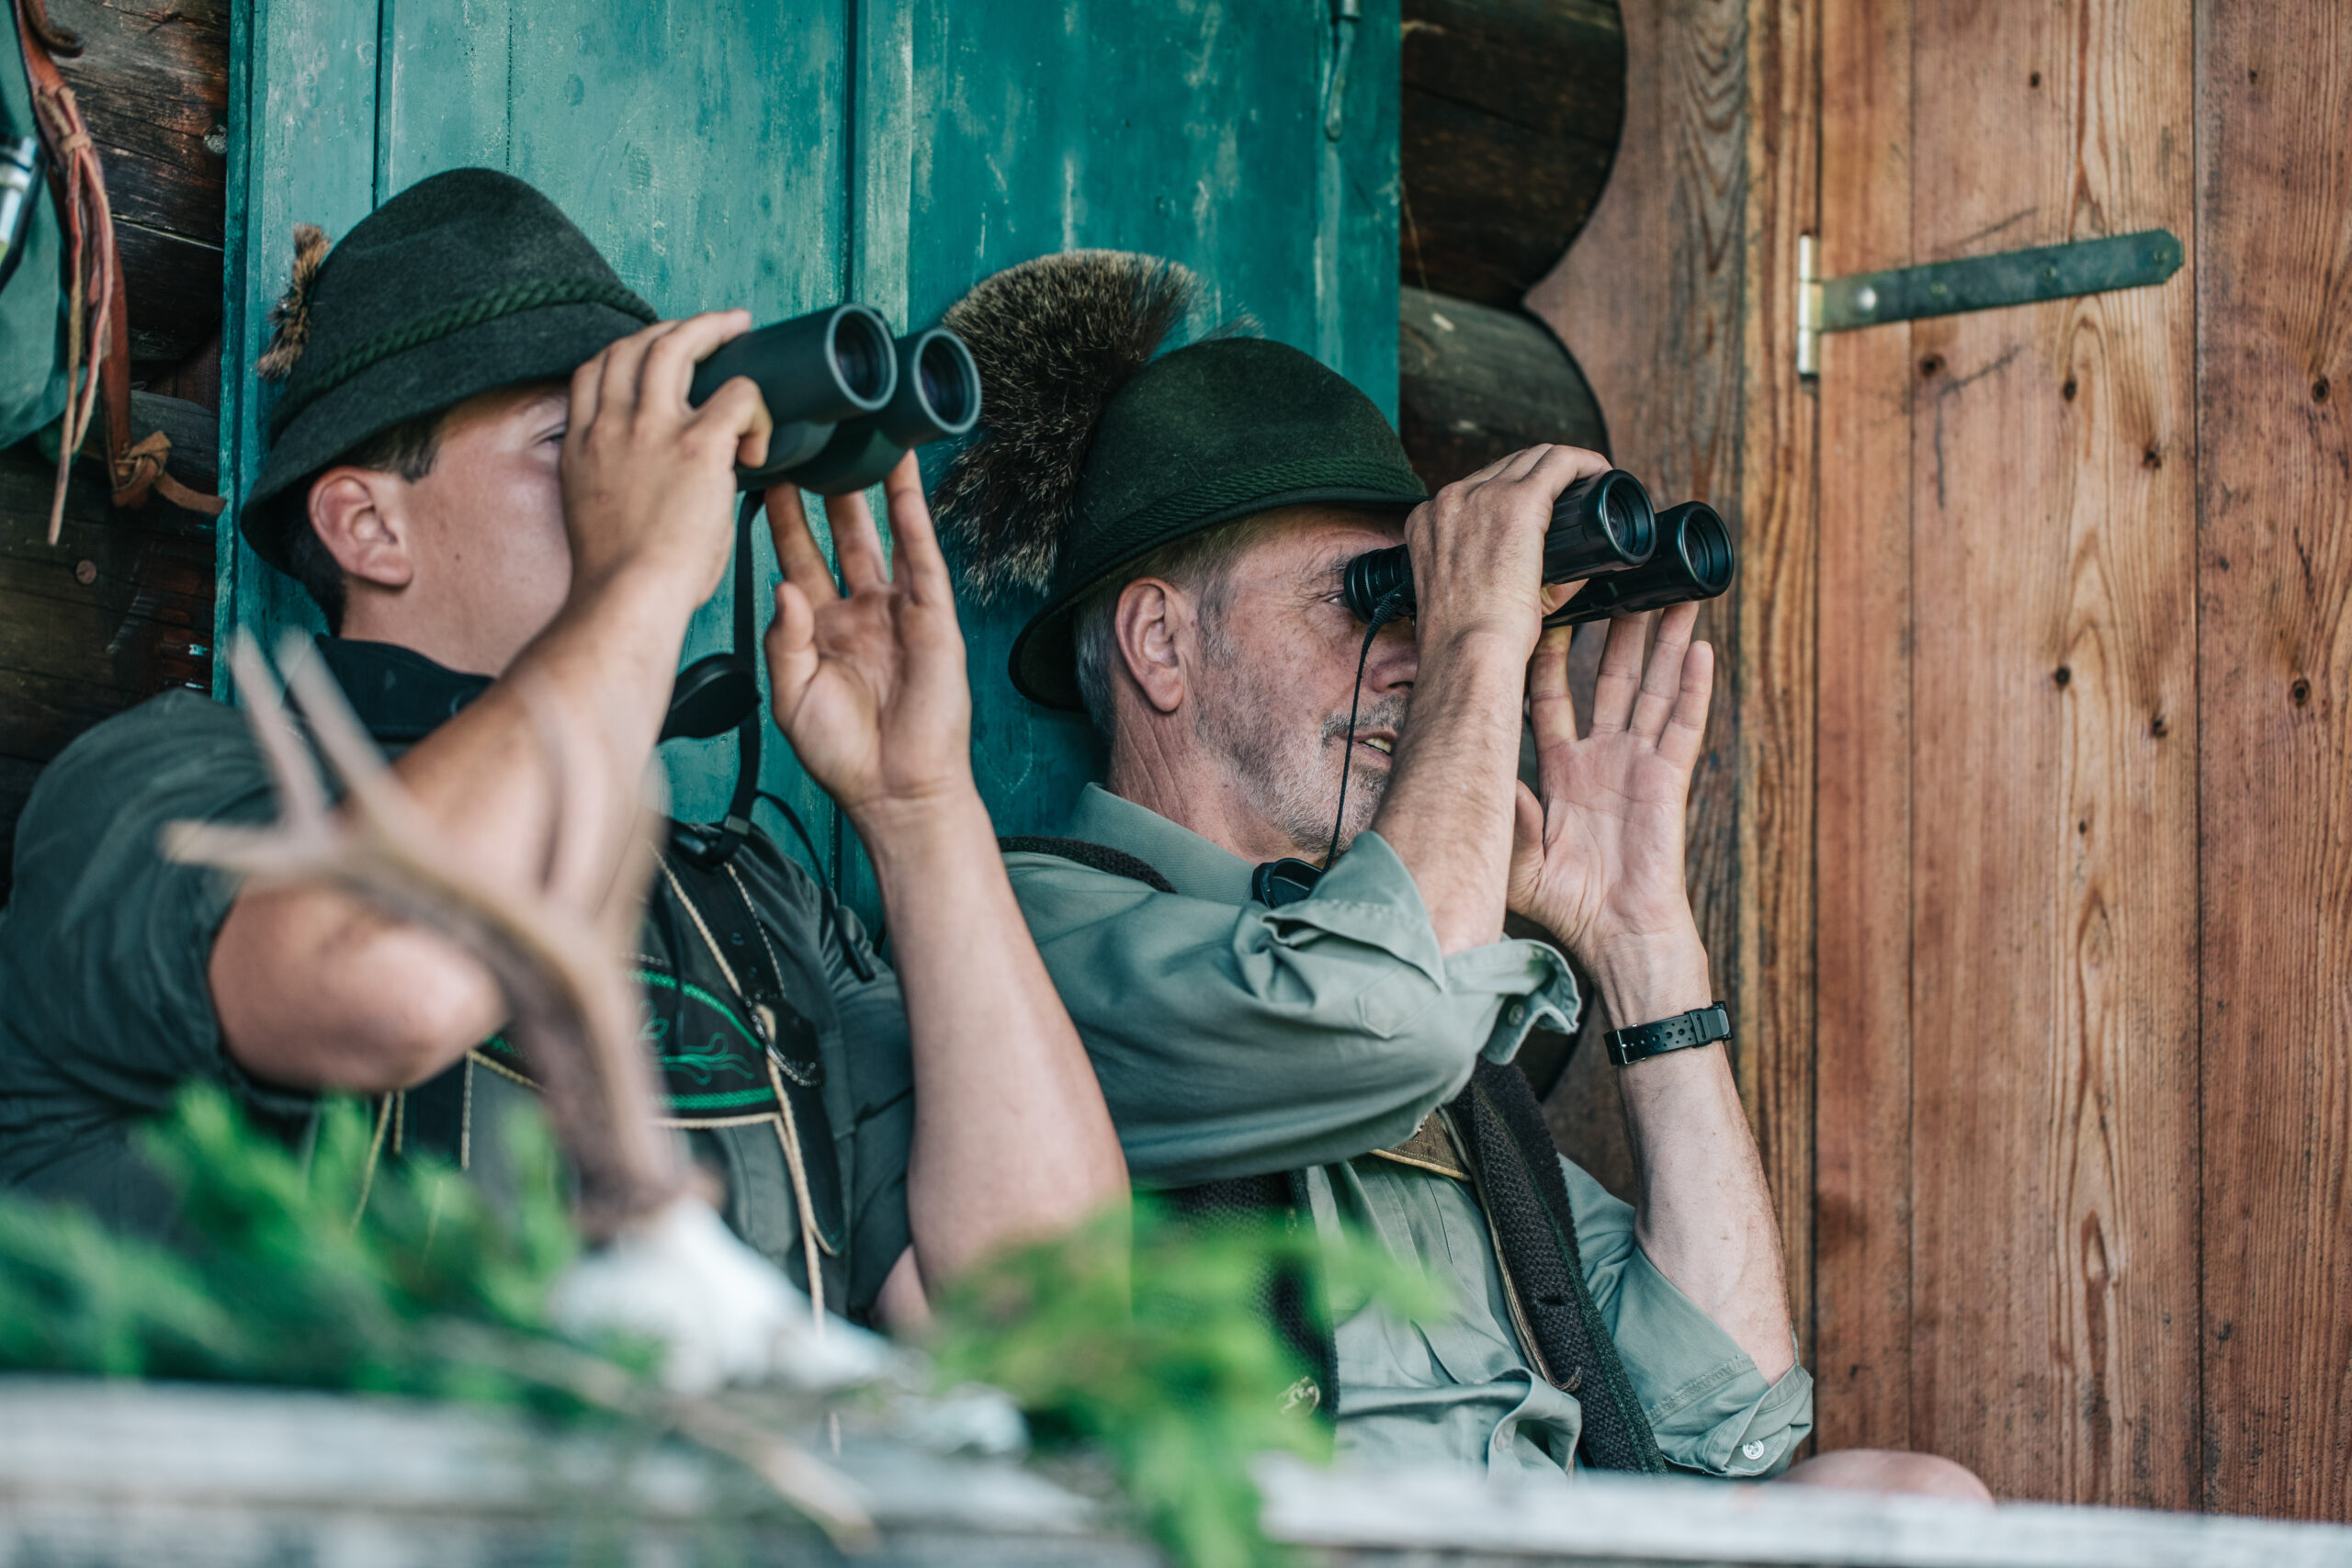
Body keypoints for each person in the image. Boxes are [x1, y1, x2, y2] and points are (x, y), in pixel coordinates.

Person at [0, 169, 1126, 1332]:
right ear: (367, 524)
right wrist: (636, 580)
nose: (653, 482)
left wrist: (920, 805)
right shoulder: (158, 784)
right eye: (575, 444)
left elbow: (1056, 1319)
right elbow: (390, 985)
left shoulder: (752, 909)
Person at [933, 250, 1985, 1494]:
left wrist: (1643, 939)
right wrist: (1487, 630)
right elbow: (1376, 1017)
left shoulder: (1405, 970)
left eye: (1429, 618)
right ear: (1163, 642)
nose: (1417, 662)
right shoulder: (1030, 930)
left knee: (1916, 1500)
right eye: (1366, 602)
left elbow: (1732, 1406)